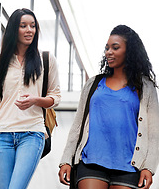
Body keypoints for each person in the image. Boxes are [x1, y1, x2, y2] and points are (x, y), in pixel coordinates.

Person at [58, 25, 159, 189]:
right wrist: (66, 160)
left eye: (115, 47)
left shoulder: (145, 87)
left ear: (130, 51)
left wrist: (149, 167)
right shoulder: (94, 83)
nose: (108, 52)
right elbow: (77, 125)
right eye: (107, 48)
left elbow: (154, 132)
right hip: (91, 161)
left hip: (129, 166)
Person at [0, 8, 61, 189]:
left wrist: (35, 100)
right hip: (2, 134)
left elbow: (55, 97)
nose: (29, 30)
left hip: (32, 132)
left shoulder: (46, 59)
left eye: (33, 26)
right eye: (23, 26)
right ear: (13, 30)